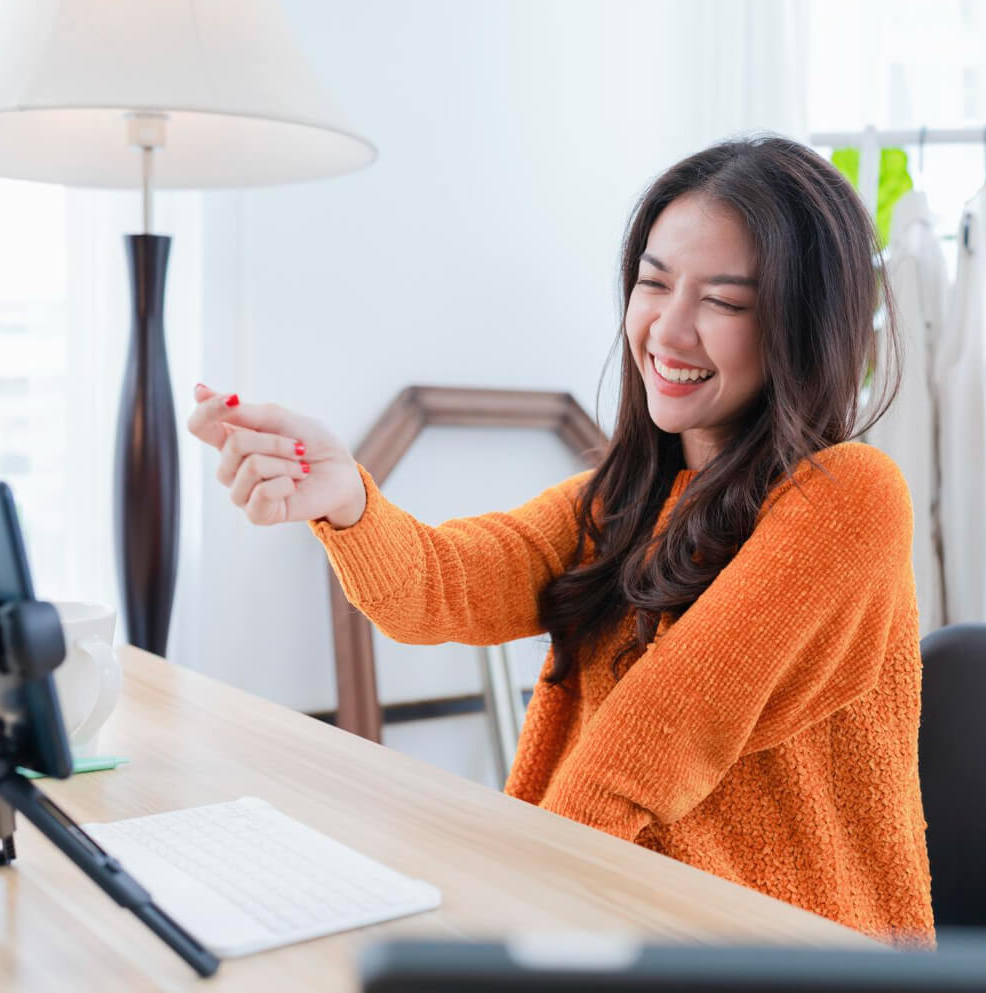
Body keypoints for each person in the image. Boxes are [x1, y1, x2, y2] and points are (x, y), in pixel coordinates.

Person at [185, 134, 933, 946]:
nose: (668, 330)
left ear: (803, 322)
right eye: (653, 282)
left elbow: (654, 736)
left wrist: (516, 918)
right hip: (613, 917)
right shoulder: (624, 501)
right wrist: (346, 499)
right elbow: (442, 583)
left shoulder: (850, 494)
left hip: (789, 952)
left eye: (724, 301)